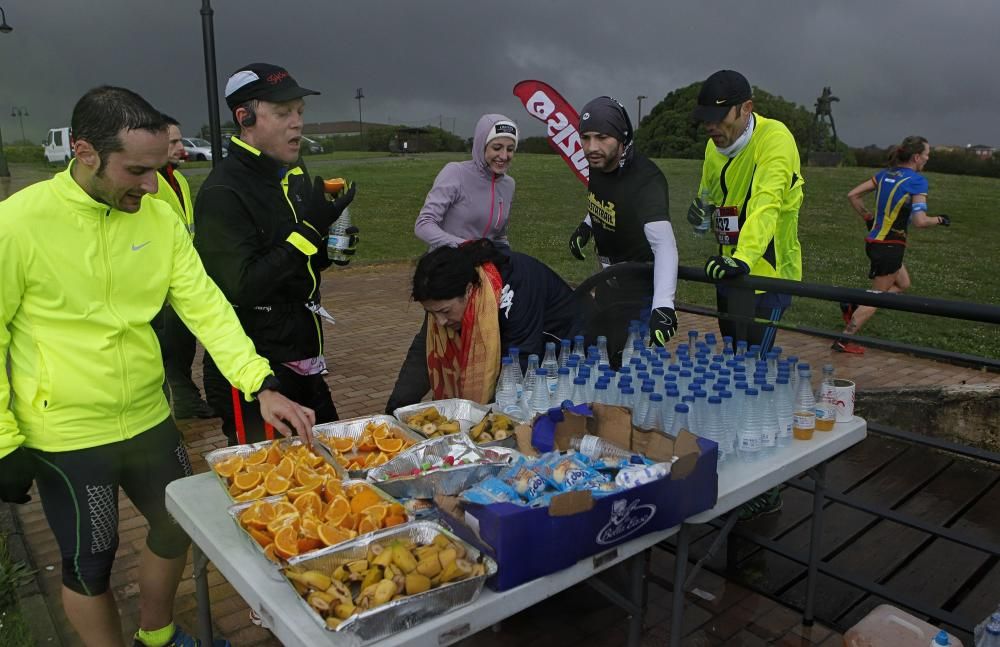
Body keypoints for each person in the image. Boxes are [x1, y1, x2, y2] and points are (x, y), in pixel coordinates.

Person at [0, 86, 315, 647]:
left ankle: (159, 636)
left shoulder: (158, 219)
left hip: (148, 416)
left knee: (178, 529)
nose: (151, 186)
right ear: (84, 152)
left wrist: (260, 382)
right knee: (89, 565)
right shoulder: (18, 224)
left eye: (159, 169)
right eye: (137, 171)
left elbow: (206, 307)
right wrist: (3, 442)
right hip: (66, 433)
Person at [195, 62, 356, 446]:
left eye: (300, 111)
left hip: (303, 356)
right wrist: (308, 232)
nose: (296, 123)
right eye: (283, 113)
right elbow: (243, 287)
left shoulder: (293, 170)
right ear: (244, 117)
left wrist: (326, 248)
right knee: (272, 491)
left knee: (331, 464)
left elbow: (295, 264)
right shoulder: (223, 192)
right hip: (256, 372)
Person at [385, 239, 581, 412]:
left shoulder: (515, 291)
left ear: (469, 291)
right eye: (431, 313)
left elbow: (517, 368)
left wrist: (479, 422)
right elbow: (424, 354)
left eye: (444, 312)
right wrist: (395, 410)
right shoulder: (446, 293)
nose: (440, 322)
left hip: (565, 356)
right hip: (526, 351)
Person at [689, 69, 803, 358]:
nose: (710, 126)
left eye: (719, 117)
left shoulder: (775, 138)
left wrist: (743, 258)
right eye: (705, 119)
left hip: (766, 275)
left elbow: (767, 202)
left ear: (746, 109)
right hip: (728, 271)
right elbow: (709, 194)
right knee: (732, 357)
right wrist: (701, 214)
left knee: (754, 365)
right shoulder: (714, 147)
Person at [566, 96, 678, 363]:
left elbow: (664, 246)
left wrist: (663, 305)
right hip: (607, 283)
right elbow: (609, 200)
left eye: (602, 137)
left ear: (622, 138)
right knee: (602, 357)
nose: (591, 147)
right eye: (586, 137)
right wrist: (586, 225)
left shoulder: (646, 180)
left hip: (638, 292)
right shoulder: (600, 163)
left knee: (630, 369)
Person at [834, 136, 951, 354]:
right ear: (916, 157)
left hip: (875, 243)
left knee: (903, 284)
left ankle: (854, 305)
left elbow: (853, 195)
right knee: (875, 300)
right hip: (890, 247)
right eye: (926, 154)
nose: (927, 158)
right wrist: (941, 220)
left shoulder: (885, 174)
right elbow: (920, 221)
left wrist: (868, 218)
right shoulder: (917, 181)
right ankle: (843, 340)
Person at [150, 114, 214, 419]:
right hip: (161, 288)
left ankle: (187, 401)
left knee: (183, 349)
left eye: (179, 140)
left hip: (182, 280)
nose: (180, 146)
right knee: (167, 354)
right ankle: (168, 409)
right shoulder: (150, 185)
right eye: (172, 142)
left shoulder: (180, 181)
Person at [414, 114, 517, 250]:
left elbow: (499, 236)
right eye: (497, 148)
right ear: (482, 146)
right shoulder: (455, 172)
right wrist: (466, 246)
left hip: (484, 262)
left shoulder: (508, 184)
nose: (504, 156)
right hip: (448, 261)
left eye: (510, 149)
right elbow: (424, 224)